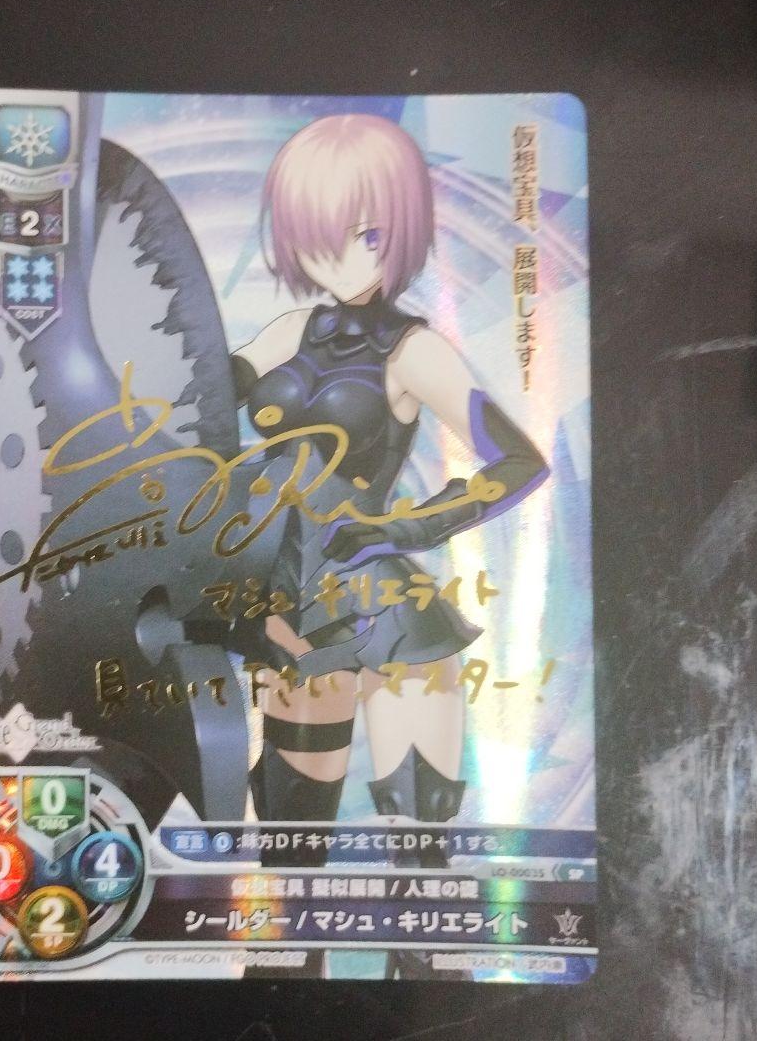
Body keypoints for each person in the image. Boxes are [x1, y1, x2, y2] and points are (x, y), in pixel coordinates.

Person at [230, 113, 549, 842]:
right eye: (317, 233)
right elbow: (195, 394)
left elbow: (521, 461)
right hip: (288, 605)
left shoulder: (413, 352)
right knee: (289, 841)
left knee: (416, 840)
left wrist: (399, 529)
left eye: (366, 234)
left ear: (399, 230)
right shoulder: (291, 332)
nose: (340, 256)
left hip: (383, 606)